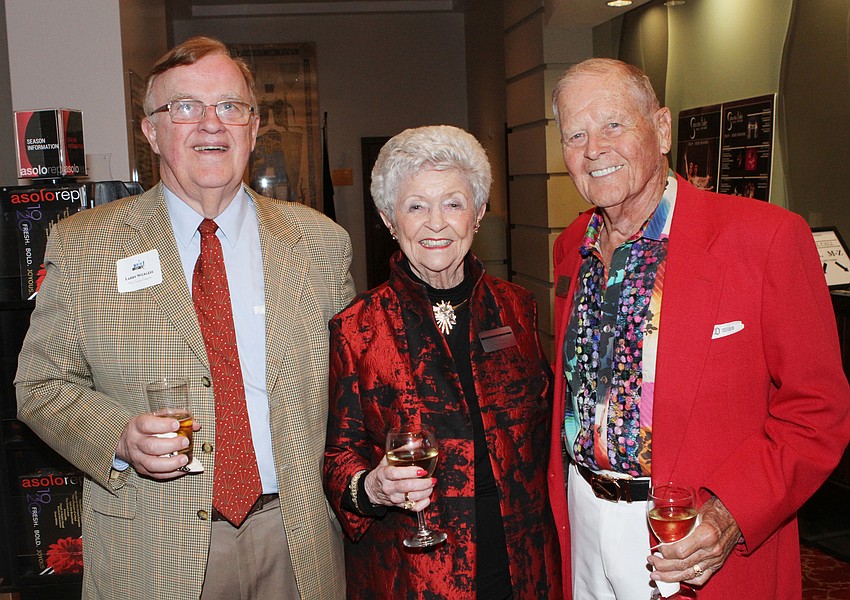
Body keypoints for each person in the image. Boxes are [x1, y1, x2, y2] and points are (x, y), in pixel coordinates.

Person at [15, 36, 354, 600]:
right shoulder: (86, 247)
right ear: (151, 131)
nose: (211, 124)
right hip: (154, 544)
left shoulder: (320, 243)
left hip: (295, 542)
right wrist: (118, 436)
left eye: (229, 106)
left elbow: (358, 392)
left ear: (253, 124)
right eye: (186, 108)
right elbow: (41, 387)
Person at [547, 57, 850, 600]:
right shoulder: (572, 249)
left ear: (661, 129)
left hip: (693, 537)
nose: (593, 148)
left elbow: (818, 409)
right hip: (583, 522)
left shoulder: (766, 240)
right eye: (575, 133)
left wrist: (731, 513)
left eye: (613, 124)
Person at [323, 125, 562, 599]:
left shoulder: (518, 308)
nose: (436, 222)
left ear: (478, 214)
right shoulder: (358, 327)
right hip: (415, 576)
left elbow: (547, 433)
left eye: (453, 203)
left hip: (523, 563)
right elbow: (337, 460)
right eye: (416, 206)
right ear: (390, 220)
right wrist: (371, 488)